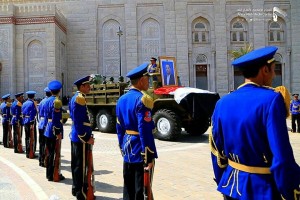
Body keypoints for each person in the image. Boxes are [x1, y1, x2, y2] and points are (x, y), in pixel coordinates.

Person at [210, 46, 300, 200]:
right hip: (263, 189)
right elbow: (281, 156)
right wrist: (291, 191)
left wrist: (223, 179)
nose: (274, 75)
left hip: (231, 186)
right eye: (273, 69)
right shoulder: (271, 100)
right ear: (264, 70)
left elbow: (216, 150)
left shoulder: (222, 102)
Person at [116, 63, 158, 200]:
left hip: (127, 145)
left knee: (128, 186)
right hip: (140, 148)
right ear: (141, 81)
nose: (149, 82)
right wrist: (149, 155)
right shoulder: (143, 99)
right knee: (141, 188)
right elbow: (144, 129)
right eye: (147, 79)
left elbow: (119, 127)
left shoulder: (121, 99)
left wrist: (122, 146)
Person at [69, 75, 95, 199]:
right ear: (82, 86)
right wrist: (85, 137)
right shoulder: (79, 99)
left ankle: (75, 188)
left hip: (75, 135)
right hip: (81, 138)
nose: (89, 87)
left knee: (76, 164)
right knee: (82, 166)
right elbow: (79, 121)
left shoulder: (76, 97)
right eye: (87, 85)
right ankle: (82, 194)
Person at [44, 80, 65, 182]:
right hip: (54, 129)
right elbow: (56, 118)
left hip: (47, 128)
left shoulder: (46, 100)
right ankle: (53, 174)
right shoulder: (56, 101)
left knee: (49, 152)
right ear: (59, 91)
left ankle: (49, 174)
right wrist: (58, 132)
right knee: (55, 152)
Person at [38, 87, 52, 166]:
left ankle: (41, 160)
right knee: (47, 144)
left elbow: (39, 113)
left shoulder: (42, 101)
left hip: (41, 123)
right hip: (47, 124)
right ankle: (46, 160)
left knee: (41, 143)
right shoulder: (49, 101)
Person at [22, 91, 38, 158]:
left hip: (25, 120)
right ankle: (32, 152)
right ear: (33, 96)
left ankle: (27, 152)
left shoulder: (24, 103)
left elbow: (22, 112)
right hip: (31, 121)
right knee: (32, 137)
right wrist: (32, 121)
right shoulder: (32, 103)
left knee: (27, 137)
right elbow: (33, 113)